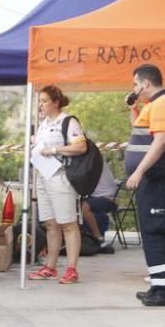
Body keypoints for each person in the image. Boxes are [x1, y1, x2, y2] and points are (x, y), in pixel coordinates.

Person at [125, 64, 165, 306]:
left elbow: (160, 141)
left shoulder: (164, 103)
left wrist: (139, 171)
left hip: (158, 178)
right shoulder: (154, 105)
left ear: (145, 84)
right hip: (155, 179)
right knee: (153, 231)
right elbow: (141, 133)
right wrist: (134, 108)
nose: (134, 89)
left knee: (158, 230)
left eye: (134, 85)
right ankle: (160, 285)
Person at [27, 85, 87, 284]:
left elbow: (81, 146)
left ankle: (71, 268)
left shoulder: (68, 121)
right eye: (40, 101)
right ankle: (50, 266)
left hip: (61, 175)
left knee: (68, 223)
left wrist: (53, 149)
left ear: (56, 102)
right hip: (43, 175)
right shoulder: (43, 123)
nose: (41, 105)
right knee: (50, 224)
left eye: (44, 101)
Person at [82, 156, 118, 249]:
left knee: (83, 206)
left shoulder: (92, 160)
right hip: (95, 197)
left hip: (107, 198)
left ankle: (98, 238)